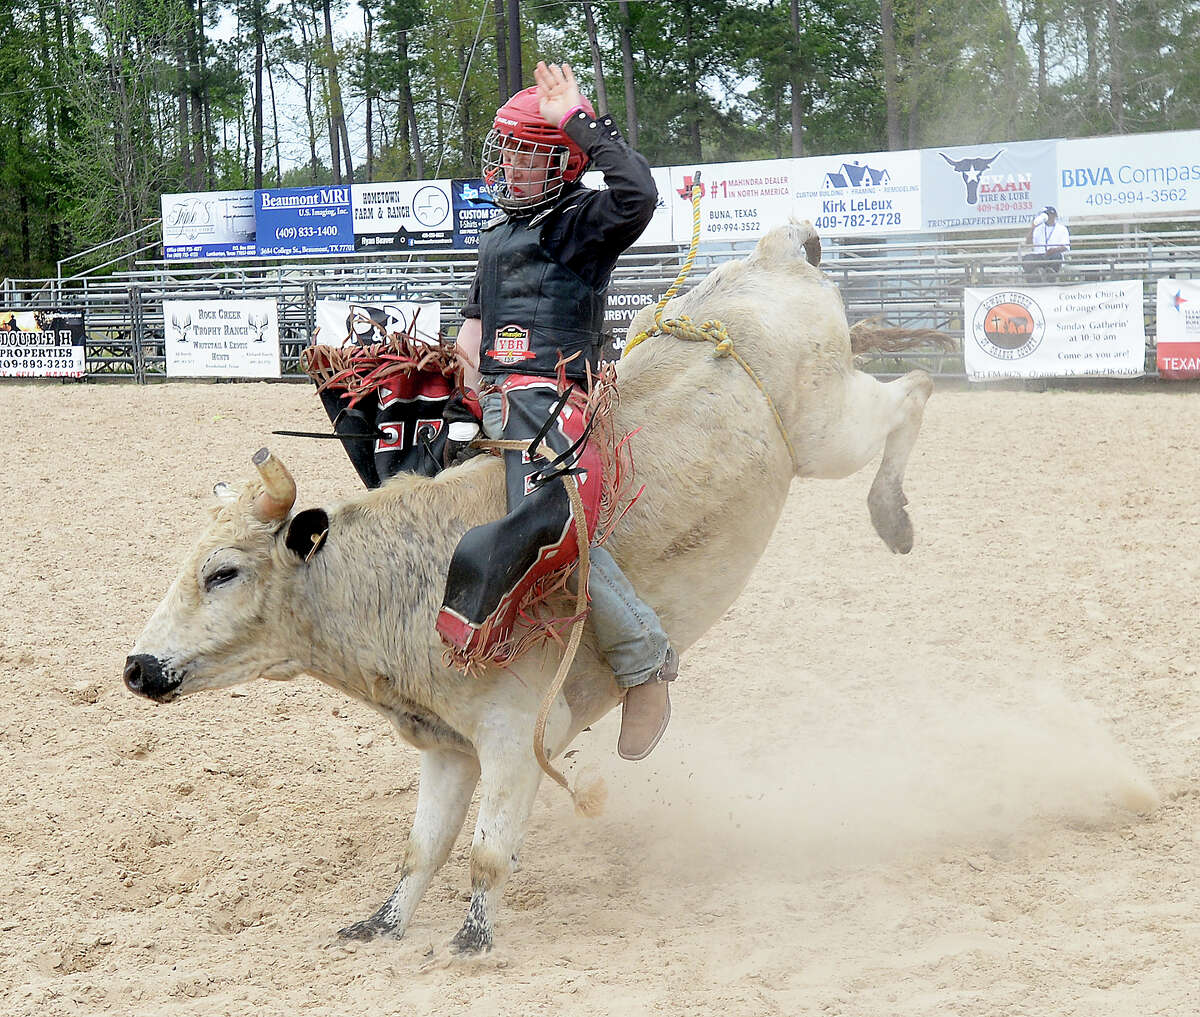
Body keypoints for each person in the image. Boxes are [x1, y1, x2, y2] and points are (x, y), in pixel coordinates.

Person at [436, 60, 677, 761]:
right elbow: (473, 339)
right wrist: (458, 403)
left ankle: (642, 662)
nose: (506, 167)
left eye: (522, 153)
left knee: (551, 520)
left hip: (556, 398)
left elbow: (639, 191)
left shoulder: (583, 223)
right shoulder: (494, 239)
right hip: (498, 401)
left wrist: (577, 117)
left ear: (559, 163)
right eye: (504, 151)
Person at [1021, 206, 1071, 281]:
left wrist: (1054, 250)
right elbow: (1028, 243)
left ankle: (1050, 275)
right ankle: (1037, 274)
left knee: (1057, 256)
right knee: (1027, 258)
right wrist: (1032, 228)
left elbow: (1065, 247)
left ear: (1054, 216)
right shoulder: (1038, 228)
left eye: (1048, 214)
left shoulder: (1062, 229)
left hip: (1052, 255)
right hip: (1039, 255)